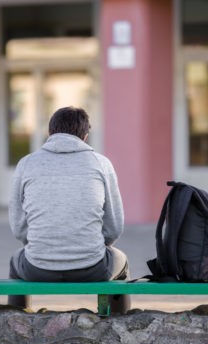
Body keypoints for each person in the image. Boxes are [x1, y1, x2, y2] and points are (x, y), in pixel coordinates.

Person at [7, 106, 130, 314]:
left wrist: (44, 245)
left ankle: (19, 323)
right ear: (85, 135)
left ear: (50, 133)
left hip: (37, 268)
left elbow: (19, 228)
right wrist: (90, 246)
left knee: (15, 261)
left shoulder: (26, 164)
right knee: (122, 262)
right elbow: (114, 227)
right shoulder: (101, 164)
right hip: (92, 267)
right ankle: (118, 324)